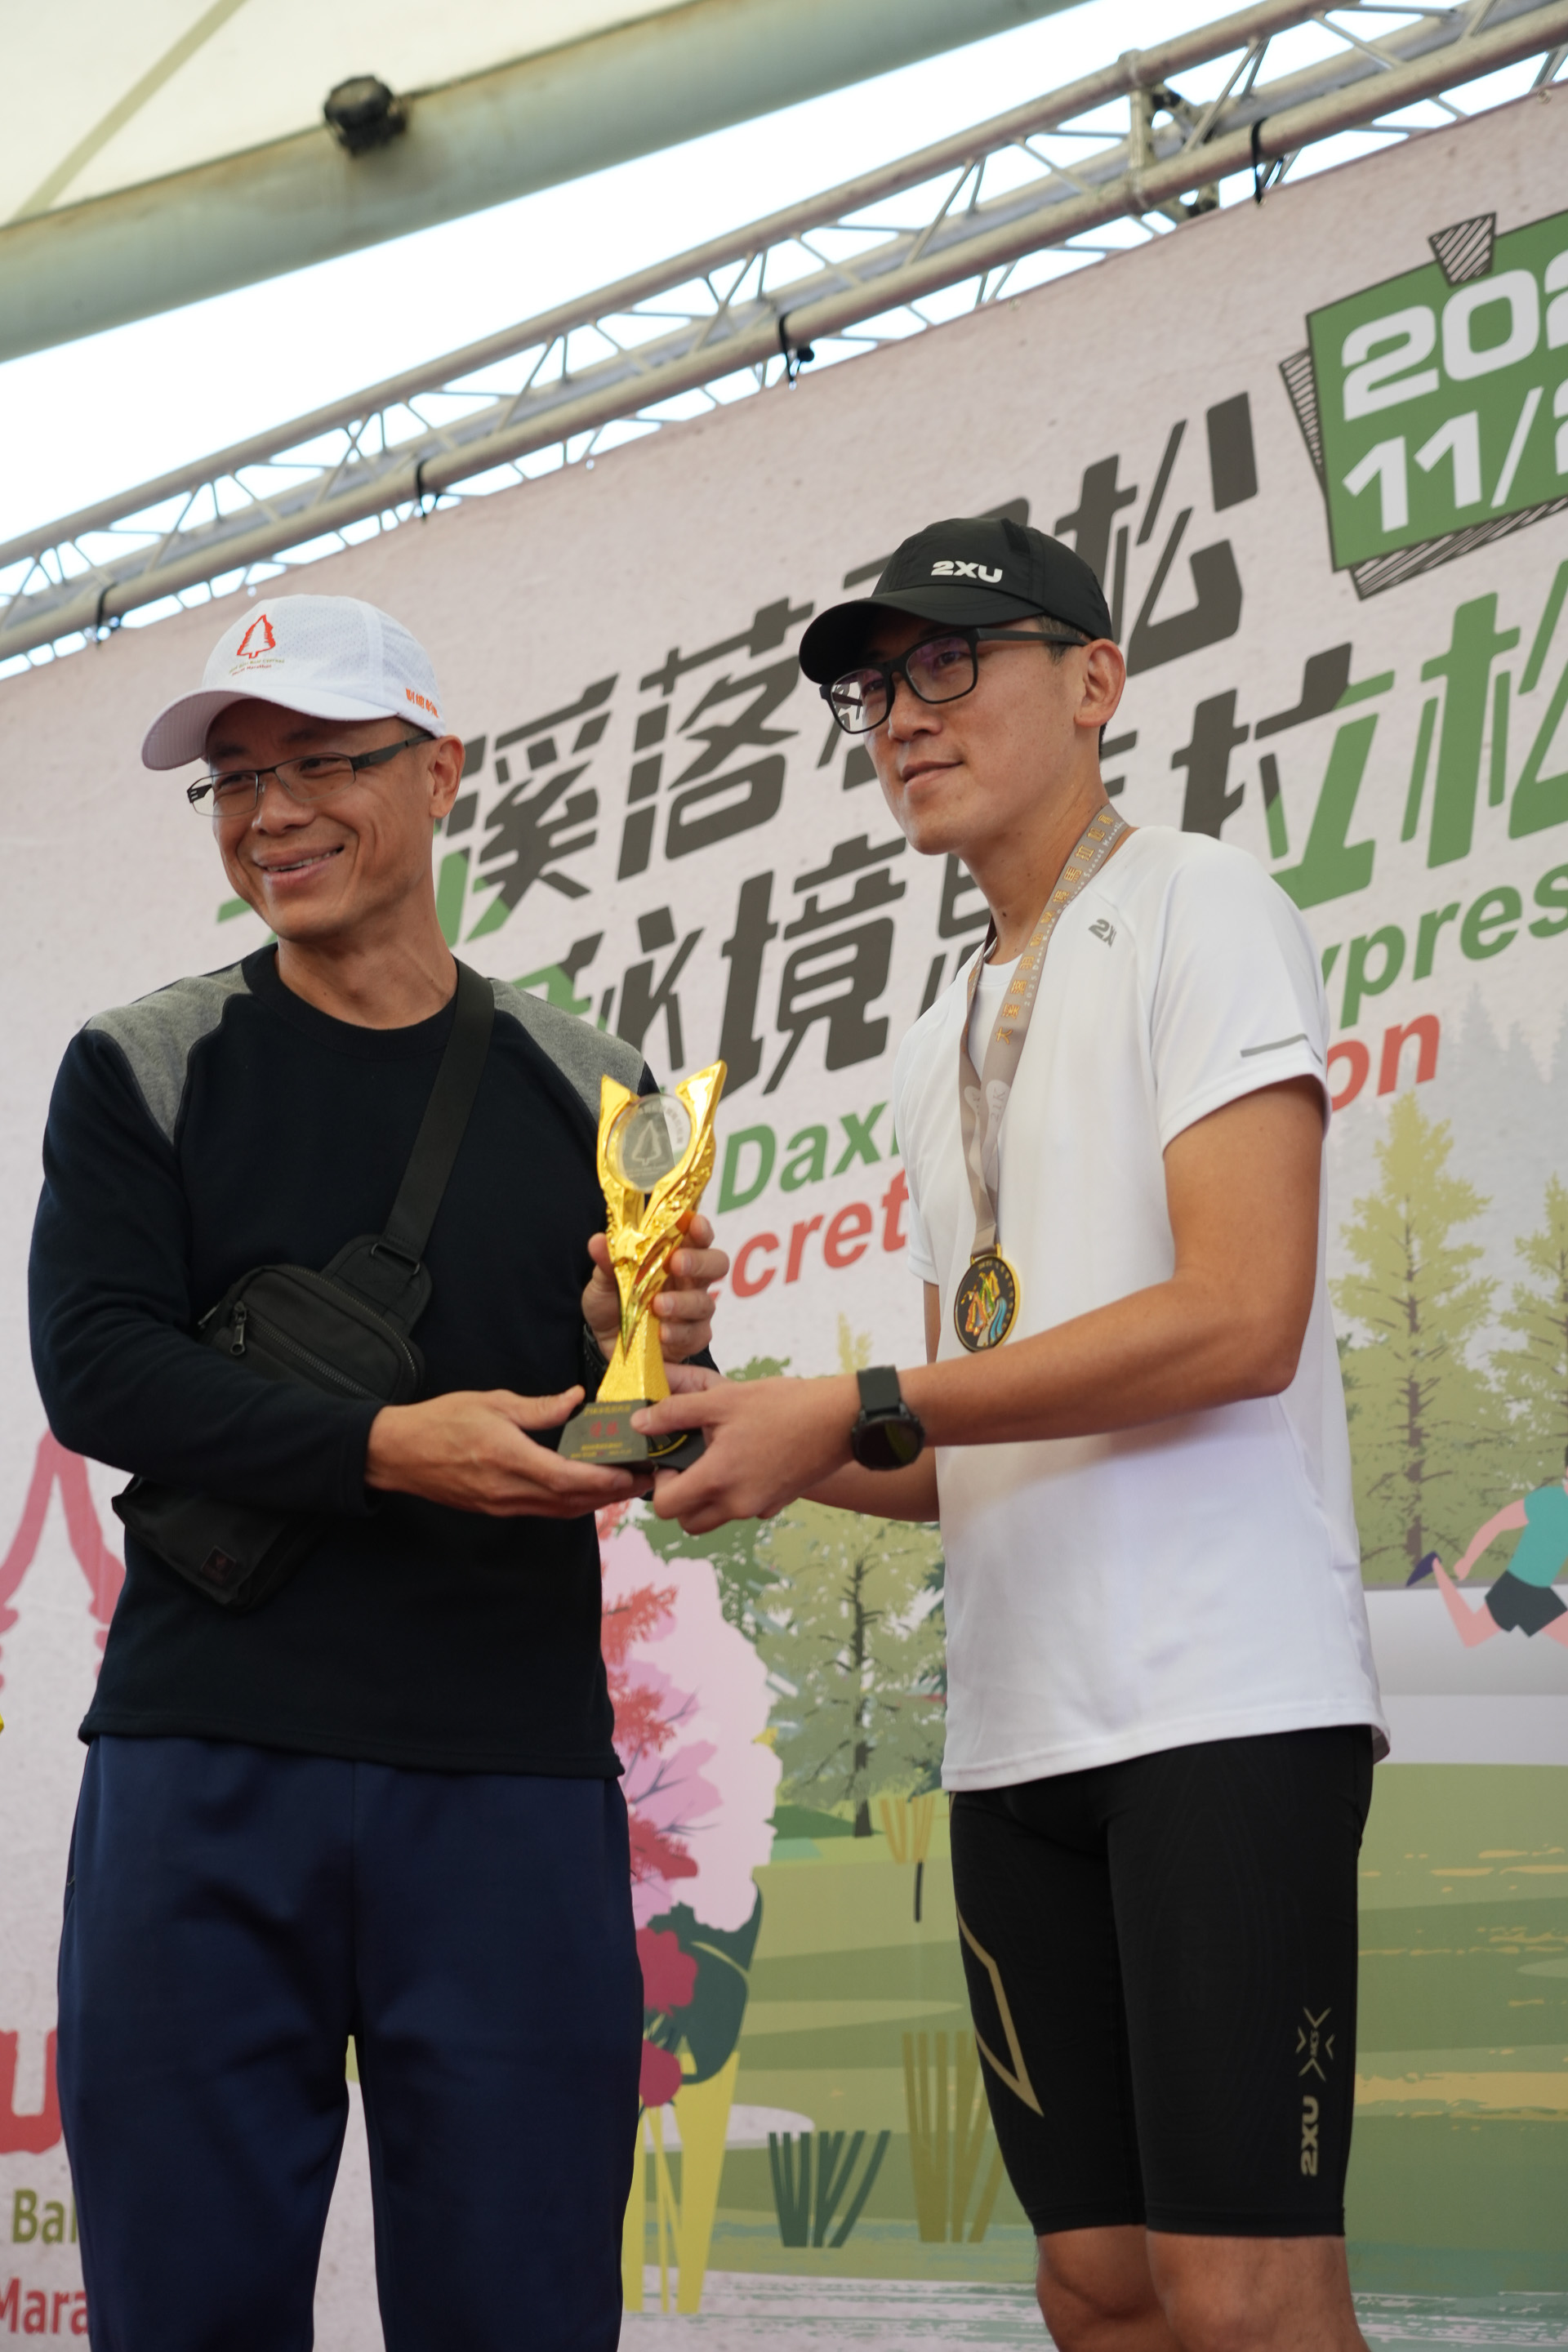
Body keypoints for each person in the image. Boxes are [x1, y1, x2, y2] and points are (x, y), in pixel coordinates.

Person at [637, 516, 1388, 2352]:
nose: (904, 716)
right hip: (1016, 1738)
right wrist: (739, 1414)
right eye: (876, 689)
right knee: (1098, 2285)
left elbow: (1239, 1315)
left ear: (1097, 680)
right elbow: (955, 1442)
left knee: (1244, 2296)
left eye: (950, 664)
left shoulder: (1204, 905)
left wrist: (852, 1404)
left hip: (1225, 1707)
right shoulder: (938, 1029)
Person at [29, 594, 727, 2352]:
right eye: (234, 781)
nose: (272, 815)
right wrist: (382, 1448)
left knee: (521, 2311)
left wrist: (646, 1346)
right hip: (205, 1766)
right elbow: (98, 1367)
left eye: (322, 764)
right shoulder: (144, 1064)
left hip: (505, 1778)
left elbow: (635, 1434)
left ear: (440, 775)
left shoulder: (601, 1088)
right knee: (184, 2314)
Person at [1414, 1454, 1568, 1646]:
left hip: (1534, 1590)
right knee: (1470, 1634)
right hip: (1518, 1587)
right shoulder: (1546, 1500)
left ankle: (1434, 1564)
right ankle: (1434, 1565)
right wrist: (1468, 1560)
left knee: (1470, 1634)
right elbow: (1497, 1523)